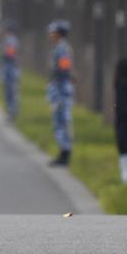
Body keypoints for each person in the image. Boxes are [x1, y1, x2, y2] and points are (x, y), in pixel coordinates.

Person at [46, 20, 74, 166]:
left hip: (62, 91)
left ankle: (64, 155)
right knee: (59, 122)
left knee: (62, 122)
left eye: (53, 32)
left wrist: (59, 87)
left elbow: (64, 70)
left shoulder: (62, 49)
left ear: (59, 33)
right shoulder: (59, 48)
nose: (50, 35)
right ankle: (62, 153)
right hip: (59, 89)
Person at [0, 22, 20, 121]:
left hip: (11, 69)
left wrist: (5, 52)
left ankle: (12, 112)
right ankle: (11, 112)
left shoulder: (11, 40)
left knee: (11, 91)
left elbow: (10, 53)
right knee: (9, 91)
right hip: (9, 68)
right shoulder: (9, 40)